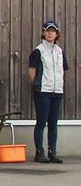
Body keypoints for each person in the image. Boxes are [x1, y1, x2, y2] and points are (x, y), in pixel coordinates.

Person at [28, 19, 68, 163]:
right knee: (41, 122)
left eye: (53, 31)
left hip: (57, 91)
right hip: (43, 91)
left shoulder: (60, 52)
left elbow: (62, 70)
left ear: (57, 34)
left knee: (53, 123)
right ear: (43, 33)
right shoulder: (38, 51)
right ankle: (39, 152)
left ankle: (52, 151)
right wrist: (37, 85)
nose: (50, 33)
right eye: (48, 31)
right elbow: (32, 71)